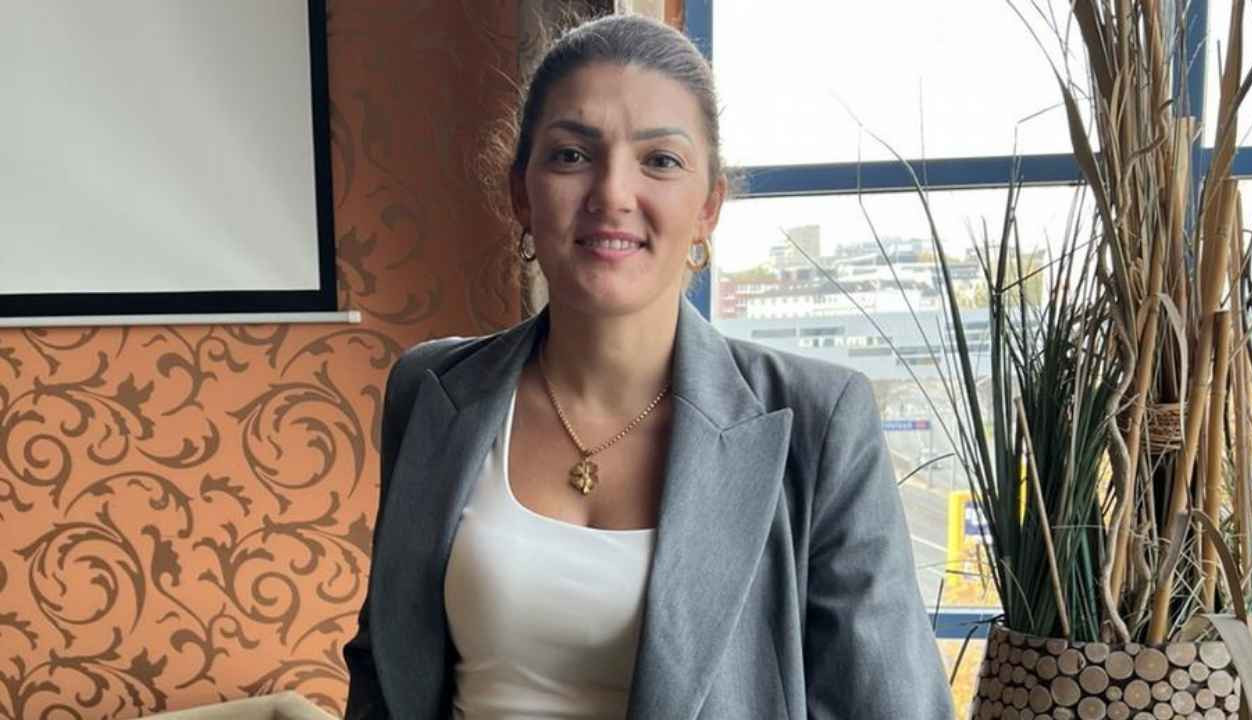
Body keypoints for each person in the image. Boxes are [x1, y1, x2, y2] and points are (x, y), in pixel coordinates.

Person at [342, 13, 952, 719]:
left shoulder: (817, 421)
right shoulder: (429, 389)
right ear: (521, 193)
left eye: (660, 161)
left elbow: (888, 704)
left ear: (708, 207)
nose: (612, 194)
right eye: (572, 155)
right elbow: (384, 666)